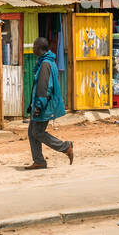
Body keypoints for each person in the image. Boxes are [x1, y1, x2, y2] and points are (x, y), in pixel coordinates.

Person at [25, 36, 73, 170]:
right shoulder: (46, 62)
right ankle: (39, 161)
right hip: (41, 103)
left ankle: (65, 147)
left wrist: (39, 106)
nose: (33, 48)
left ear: (40, 48)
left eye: (34, 46)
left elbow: (44, 87)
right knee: (32, 131)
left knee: (37, 132)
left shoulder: (46, 64)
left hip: (44, 105)